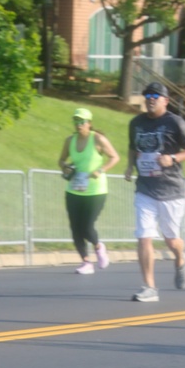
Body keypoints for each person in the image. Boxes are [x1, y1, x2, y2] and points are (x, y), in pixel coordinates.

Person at [124, 83, 185, 302]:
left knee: (171, 240)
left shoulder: (175, 122)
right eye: (147, 95)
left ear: (165, 100)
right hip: (145, 189)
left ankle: (180, 258)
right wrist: (130, 165)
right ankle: (149, 287)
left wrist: (173, 158)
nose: (150, 99)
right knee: (144, 236)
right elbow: (132, 147)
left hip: (171, 190)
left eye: (156, 96)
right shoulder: (136, 123)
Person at [58, 107, 120, 274]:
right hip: (74, 189)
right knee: (75, 227)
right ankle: (86, 262)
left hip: (96, 190)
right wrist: (66, 167)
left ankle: (99, 247)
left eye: (82, 121)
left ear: (89, 123)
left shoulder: (98, 139)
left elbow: (115, 157)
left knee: (86, 226)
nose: (79, 124)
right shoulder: (69, 140)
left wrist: (100, 170)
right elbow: (61, 160)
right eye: (76, 121)